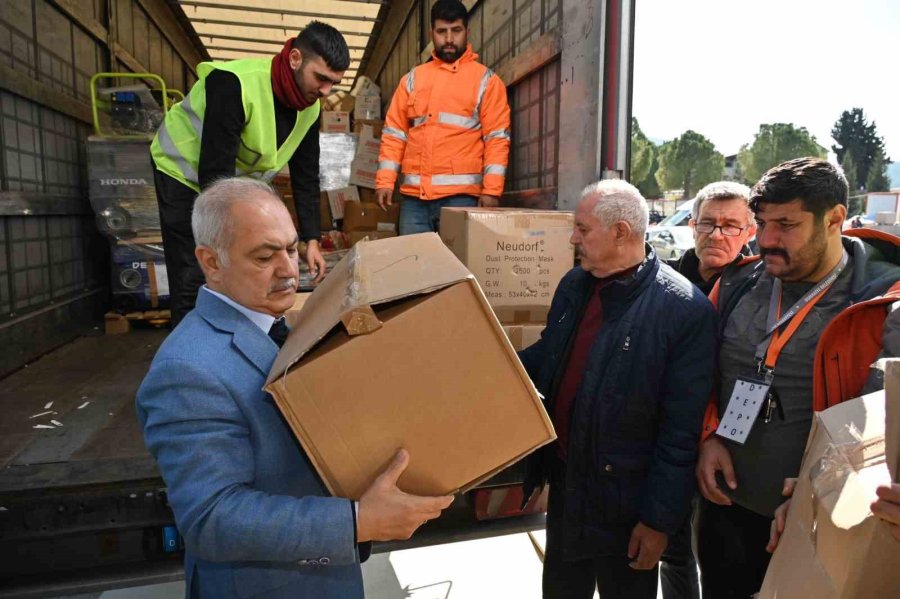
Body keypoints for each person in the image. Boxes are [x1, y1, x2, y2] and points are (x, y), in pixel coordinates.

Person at [136, 177, 454, 598]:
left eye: (290, 248)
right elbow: (211, 518)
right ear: (211, 262)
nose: (289, 269)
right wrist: (358, 521)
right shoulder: (187, 369)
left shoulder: (279, 328)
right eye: (264, 256)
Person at [695, 157, 900, 598]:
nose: (767, 240)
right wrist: (709, 435)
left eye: (786, 224)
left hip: (818, 522)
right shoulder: (735, 285)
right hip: (724, 510)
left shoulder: (884, 302)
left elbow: (882, 423)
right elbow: (698, 373)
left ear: (835, 220)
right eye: (762, 222)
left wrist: (818, 490)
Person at [518, 180, 717, 599]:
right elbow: (550, 355)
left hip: (626, 505)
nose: (573, 238)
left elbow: (679, 431)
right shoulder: (575, 285)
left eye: (582, 229)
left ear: (622, 232)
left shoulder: (683, 310)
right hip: (569, 483)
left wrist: (658, 521)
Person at [150, 22, 346, 326]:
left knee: (242, 260)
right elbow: (215, 175)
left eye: (333, 83)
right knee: (196, 268)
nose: (325, 91)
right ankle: (192, 351)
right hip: (182, 172)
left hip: (229, 182)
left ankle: (235, 336)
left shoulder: (309, 107)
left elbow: (305, 175)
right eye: (321, 78)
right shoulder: (234, 84)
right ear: (295, 59)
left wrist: (311, 239)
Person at [374, 0, 511, 234]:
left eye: (456, 31)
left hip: (462, 200)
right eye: (441, 32)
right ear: (431, 34)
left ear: (467, 32)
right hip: (414, 201)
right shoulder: (412, 80)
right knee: (415, 265)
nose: (449, 39)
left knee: (458, 270)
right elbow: (394, 134)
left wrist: (491, 192)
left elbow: (496, 139)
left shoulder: (486, 81)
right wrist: (385, 181)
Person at [667, 181, 756, 294]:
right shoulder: (662, 279)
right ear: (693, 227)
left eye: (729, 226)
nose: (716, 236)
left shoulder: (760, 288)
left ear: (750, 233)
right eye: (707, 223)